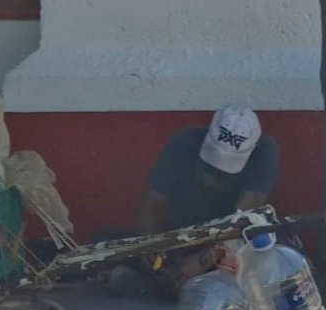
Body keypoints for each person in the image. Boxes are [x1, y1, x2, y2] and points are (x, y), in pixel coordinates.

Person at [111, 105, 280, 299]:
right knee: (122, 264)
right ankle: (162, 282)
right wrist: (151, 244)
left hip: (229, 243)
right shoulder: (184, 142)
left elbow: (244, 219)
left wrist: (204, 259)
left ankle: (180, 288)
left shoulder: (265, 152)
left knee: (256, 266)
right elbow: (153, 202)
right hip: (179, 235)